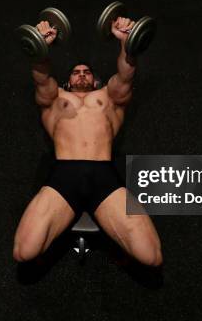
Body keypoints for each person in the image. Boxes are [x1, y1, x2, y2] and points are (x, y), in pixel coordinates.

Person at [13, 16, 162, 267]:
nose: (81, 75)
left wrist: (126, 42)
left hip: (103, 175)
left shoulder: (107, 98)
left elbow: (125, 76)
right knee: (24, 252)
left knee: (152, 256)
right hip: (64, 176)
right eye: (75, 72)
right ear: (67, 81)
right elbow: (41, 79)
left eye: (87, 73)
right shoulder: (54, 99)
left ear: (94, 81)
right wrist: (41, 48)